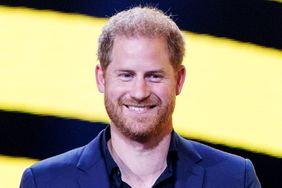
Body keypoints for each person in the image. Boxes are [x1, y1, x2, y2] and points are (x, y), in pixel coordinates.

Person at [20, 6, 261, 188]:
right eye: (126, 75)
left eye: (154, 76)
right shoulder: (44, 181)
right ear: (101, 78)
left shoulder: (235, 178)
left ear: (179, 80)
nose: (139, 92)